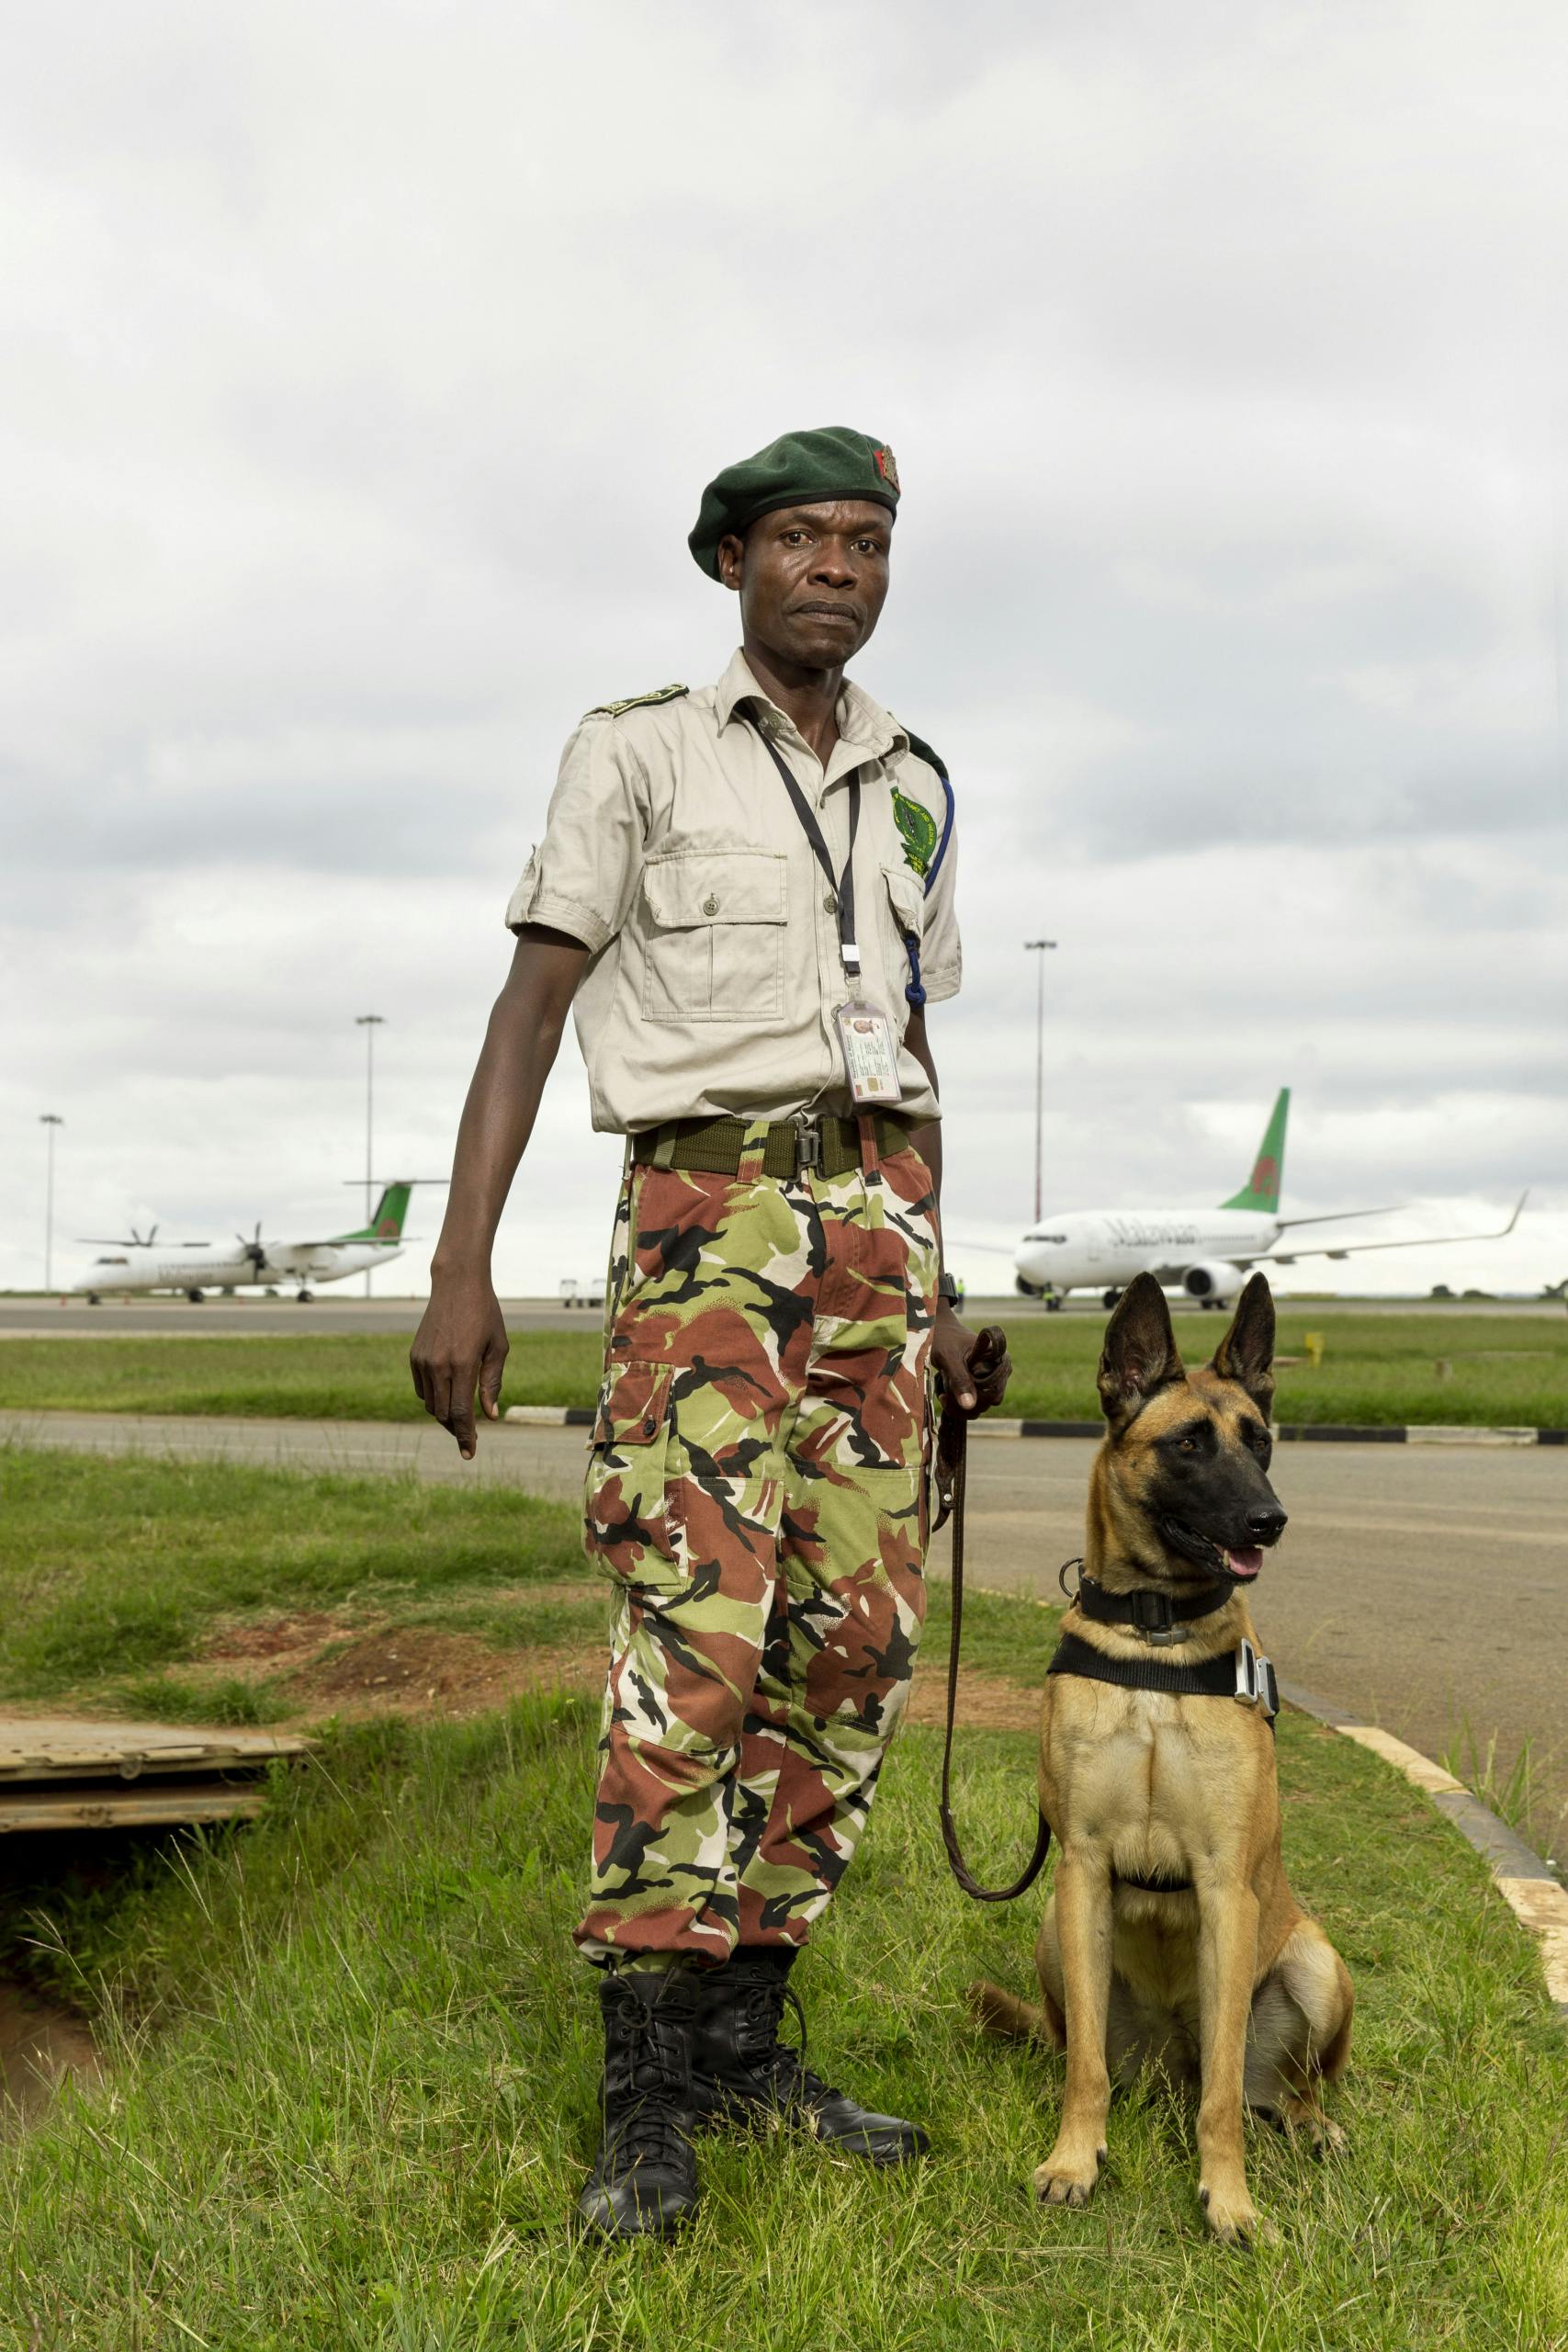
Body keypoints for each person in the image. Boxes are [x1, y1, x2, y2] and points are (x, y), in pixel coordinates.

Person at [410, 424, 1011, 2242]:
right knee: (699, 1635)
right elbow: (529, 1012)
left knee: (849, 1645)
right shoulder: (639, 750)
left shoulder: (917, 780)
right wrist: (461, 1264)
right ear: (730, 561)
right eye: (799, 538)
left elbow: (908, 1042)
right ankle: (646, 2096)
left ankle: (750, 2045)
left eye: (865, 541)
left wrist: (937, 1275)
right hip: (707, 1220)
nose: (835, 566)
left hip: (877, 1231)